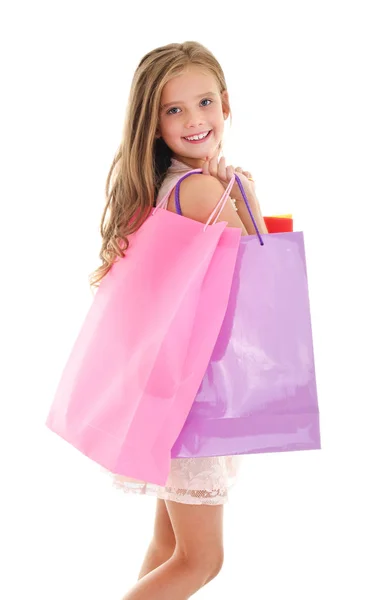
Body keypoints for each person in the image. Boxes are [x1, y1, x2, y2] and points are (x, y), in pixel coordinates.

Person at [89, 40, 268, 600]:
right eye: (174, 110)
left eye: (205, 102)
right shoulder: (204, 189)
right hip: (197, 395)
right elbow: (257, 278)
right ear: (153, 124)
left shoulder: (165, 186)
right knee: (201, 560)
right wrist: (248, 196)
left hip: (167, 388)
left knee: (170, 549)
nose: (194, 119)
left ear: (226, 103)